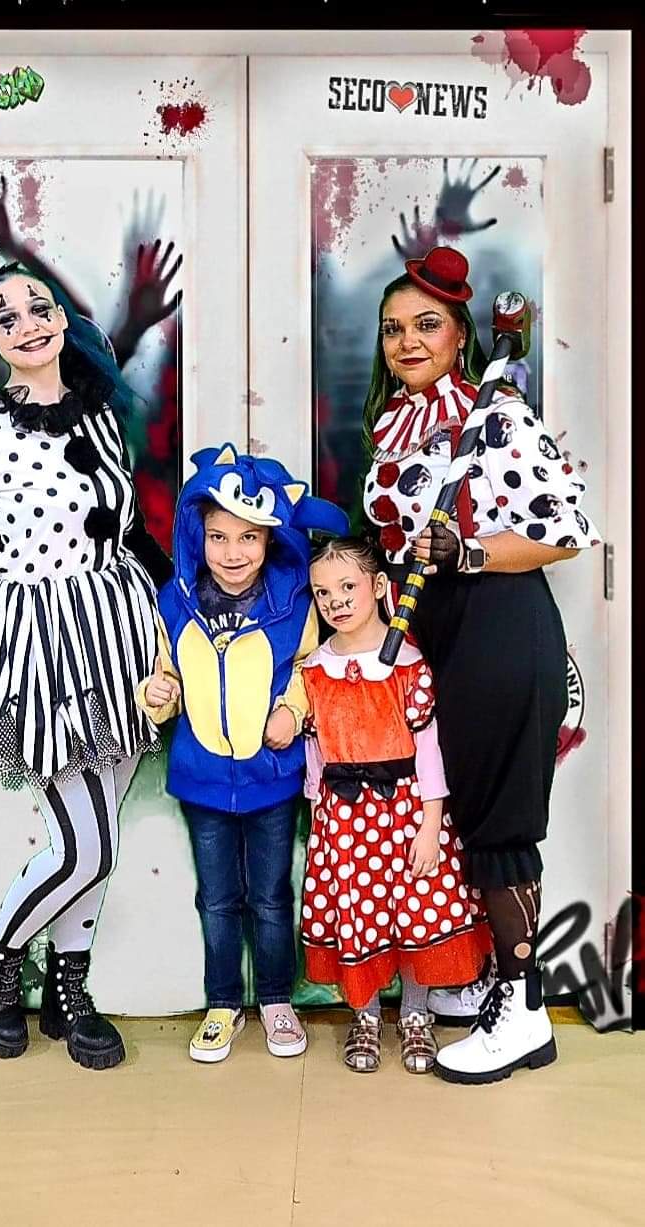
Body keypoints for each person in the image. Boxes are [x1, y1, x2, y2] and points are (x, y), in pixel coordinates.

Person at [0, 234, 173, 1070]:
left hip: (121, 638)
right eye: (8, 316)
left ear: (62, 317)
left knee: (99, 833)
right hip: (41, 650)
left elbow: (128, 534)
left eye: (40, 306)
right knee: (84, 845)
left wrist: (186, 607)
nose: (29, 322)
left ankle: (70, 988)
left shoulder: (101, 414)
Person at [361, 245, 601, 1083]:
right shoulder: (396, 425)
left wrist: (465, 551)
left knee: (501, 826)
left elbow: (564, 533)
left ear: (463, 335)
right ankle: (506, 989)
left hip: (500, 623)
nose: (407, 341)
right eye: (393, 328)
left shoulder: (496, 415)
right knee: (472, 816)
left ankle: (523, 1009)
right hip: (442, 637)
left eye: (426, 324)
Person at [136, 444, 347, 1063]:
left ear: (269, 540)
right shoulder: (174, 601)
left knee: (272, 897)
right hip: (201, 779)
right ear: (197, 536)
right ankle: (223, 1003)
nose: (233, 553)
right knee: (217, 899)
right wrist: (158, 694)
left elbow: (311, 668)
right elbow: (166, 674)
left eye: (248, 538)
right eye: (219, 537)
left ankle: (277, 1000)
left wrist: (293, 711)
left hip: (272, 778)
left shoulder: (295, 605)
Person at [300, 535, 492, 1074]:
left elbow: (430, 750)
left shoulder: (409, 664)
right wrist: (318, 818)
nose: (336, 601)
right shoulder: (314, 668)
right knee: (358, 914)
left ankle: (414, 1015)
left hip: (406, 813)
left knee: (413, 913)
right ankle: (364, 1016)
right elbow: (315, 752)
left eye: (348, 586)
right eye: (322, 592)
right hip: (344, 820)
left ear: (380, 586)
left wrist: (431, 825)